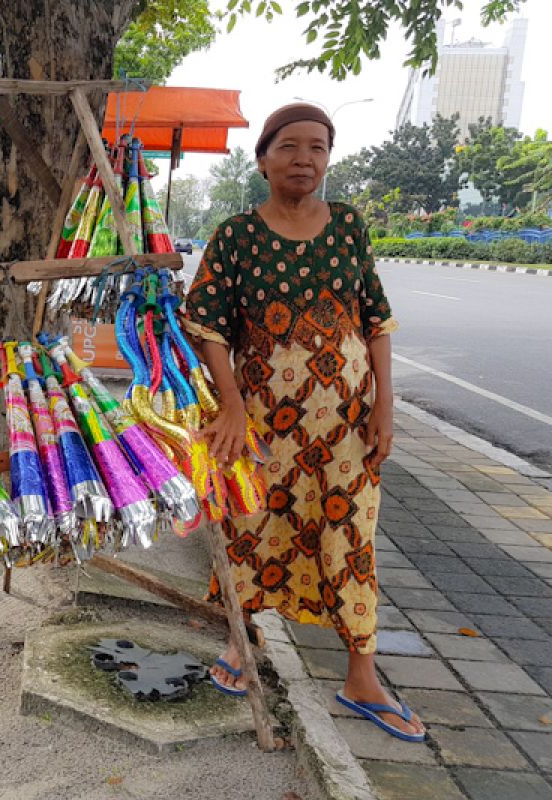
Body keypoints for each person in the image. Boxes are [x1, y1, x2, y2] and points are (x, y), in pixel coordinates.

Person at [183, 103, 422, 742]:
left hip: (348, 427)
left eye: (318, 147)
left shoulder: (348, 227)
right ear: (263, 158)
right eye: (290, 146)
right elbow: (207, 326)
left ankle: (361, 676)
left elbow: (375, 318)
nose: (305, 159)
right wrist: (230, 404)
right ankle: (241, 640)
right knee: (251, 525)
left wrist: (384, 403)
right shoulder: (235, 237)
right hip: (263, 424)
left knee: (351, 537)